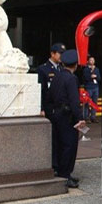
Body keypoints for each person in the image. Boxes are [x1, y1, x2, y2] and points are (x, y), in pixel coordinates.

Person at [47, 49, 86, 188]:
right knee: (69, 145)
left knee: (59, 143)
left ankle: (60, 170)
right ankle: (65, 174)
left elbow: (49, 97)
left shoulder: (56, 76)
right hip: (68, 116)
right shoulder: (72, 78)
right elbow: (74, 101)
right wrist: (80, 118)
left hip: (56, 114)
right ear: (76, 65)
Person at [38, 42, 65, 170]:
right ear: (52, 54)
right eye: (60, 53)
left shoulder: (62, 68)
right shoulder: (43, 69)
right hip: (50, 108)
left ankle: (60, 163)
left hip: (61, 109)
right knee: (52, 138)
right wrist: (41, 107)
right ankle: (53, 164)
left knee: (61, 137)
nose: (61, 56)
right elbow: (41, 90)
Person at [82, 55, 100, 122]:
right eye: (91, 60)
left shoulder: (97, 69)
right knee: (87, 102)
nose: (92, 61)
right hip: (88, 87)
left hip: (95, 87)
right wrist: (90, 76)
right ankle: (86, 117)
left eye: (93, 60)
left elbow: (99, 78)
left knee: (94, 102)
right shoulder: (86, 69)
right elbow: (85, 78)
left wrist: (96, 76)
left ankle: (93, 117)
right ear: (88, 61)